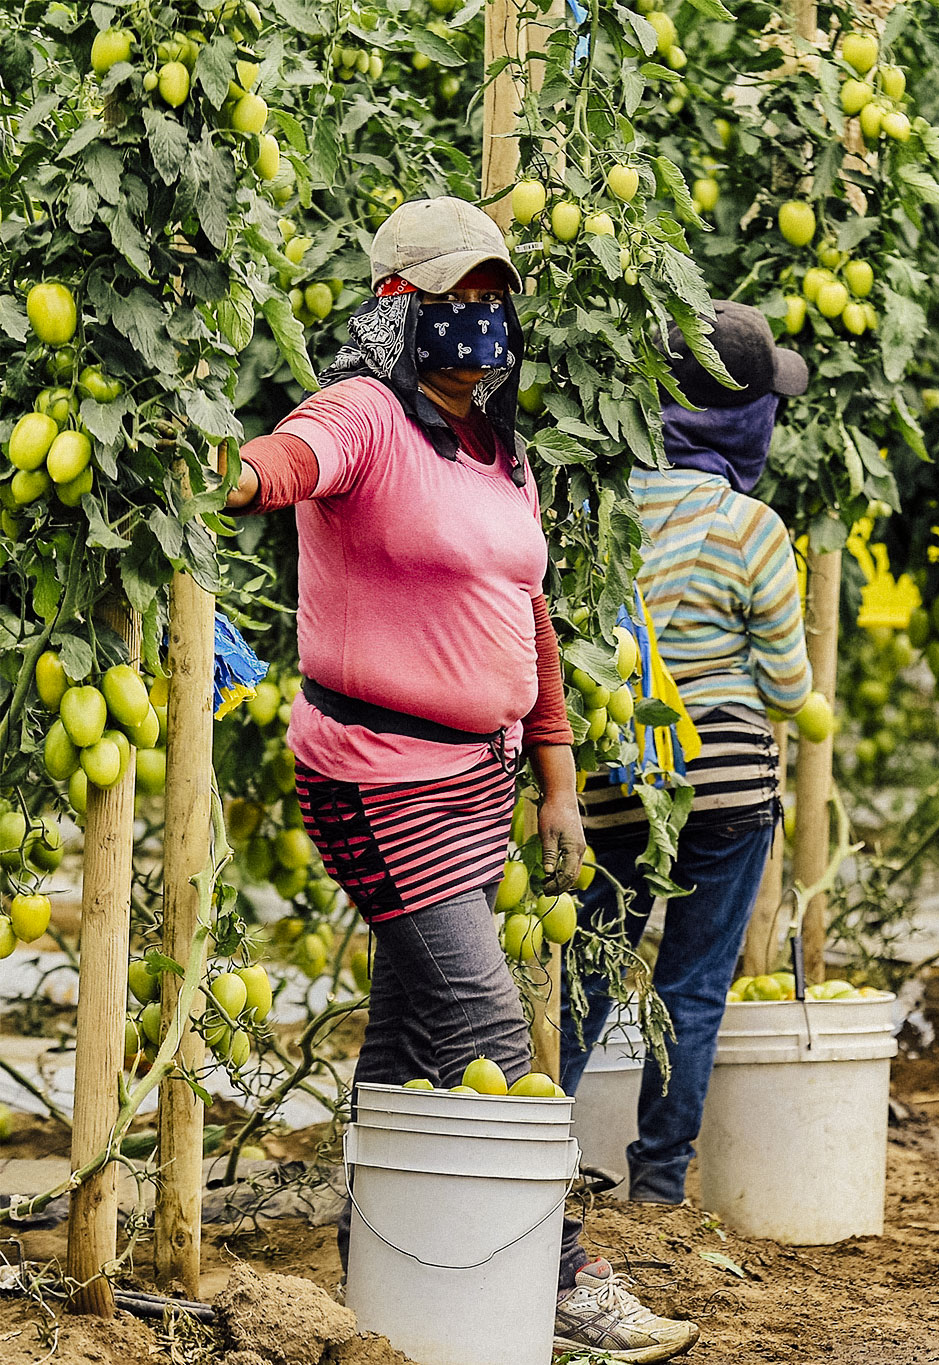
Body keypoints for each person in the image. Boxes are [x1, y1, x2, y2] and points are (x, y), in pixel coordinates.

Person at [225, 197, 701, 1363]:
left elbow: (524, 614)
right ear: (396, 302)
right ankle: (565, 1280)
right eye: (455, 296)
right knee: (486, 1030)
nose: (479, 317)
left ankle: (376, 1267)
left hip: (477, 784)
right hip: (372, 774)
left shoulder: (501, 451)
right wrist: (229, 472)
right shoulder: (366, 414)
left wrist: (553, 777)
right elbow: (293, 459)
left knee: (404, 1046)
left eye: (494, 295)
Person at [559, 302, 812, 1202]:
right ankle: (661, 1181)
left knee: (586, 964)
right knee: (693, 985)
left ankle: (534, 1141)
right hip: (730, 784)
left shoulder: (594, 513)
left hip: (618, 778)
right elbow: (787, 688)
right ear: (744, 418)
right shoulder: (755, 529)